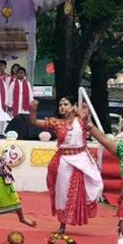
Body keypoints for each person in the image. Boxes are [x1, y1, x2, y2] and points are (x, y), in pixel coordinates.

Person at [28, 99, 103, 233]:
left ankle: (77, 216)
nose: (62, 107)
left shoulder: (81, 121)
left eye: (66, 104)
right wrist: (33, 110)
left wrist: (87, 116)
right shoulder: (57, 123)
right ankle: (62, 224)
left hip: (81, 160)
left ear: (73, 106)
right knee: (62, 193)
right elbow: (34, 122)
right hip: (64, 161)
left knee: (90, 187)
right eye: (60, 105)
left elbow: (90, 126)